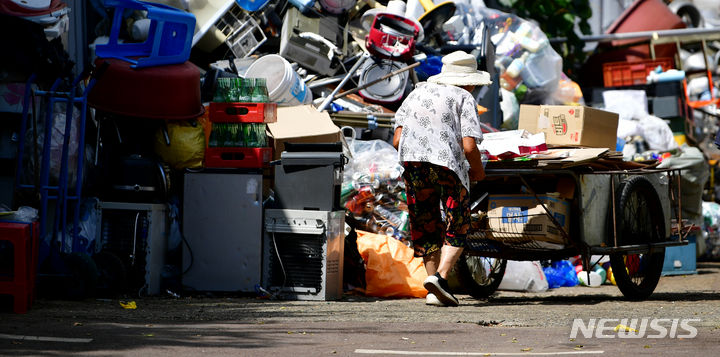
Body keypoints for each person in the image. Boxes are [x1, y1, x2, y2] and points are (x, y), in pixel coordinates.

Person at [392, 51, 490, 307]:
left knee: (425, 224)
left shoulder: (416, 92)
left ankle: (433, 291)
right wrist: (479, 172)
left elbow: (396, 140)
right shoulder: (463, 97)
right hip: (446, 166)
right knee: (458, 221)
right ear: (469, 81)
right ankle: (441, 278)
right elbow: (469, 147)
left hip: (412, 164)